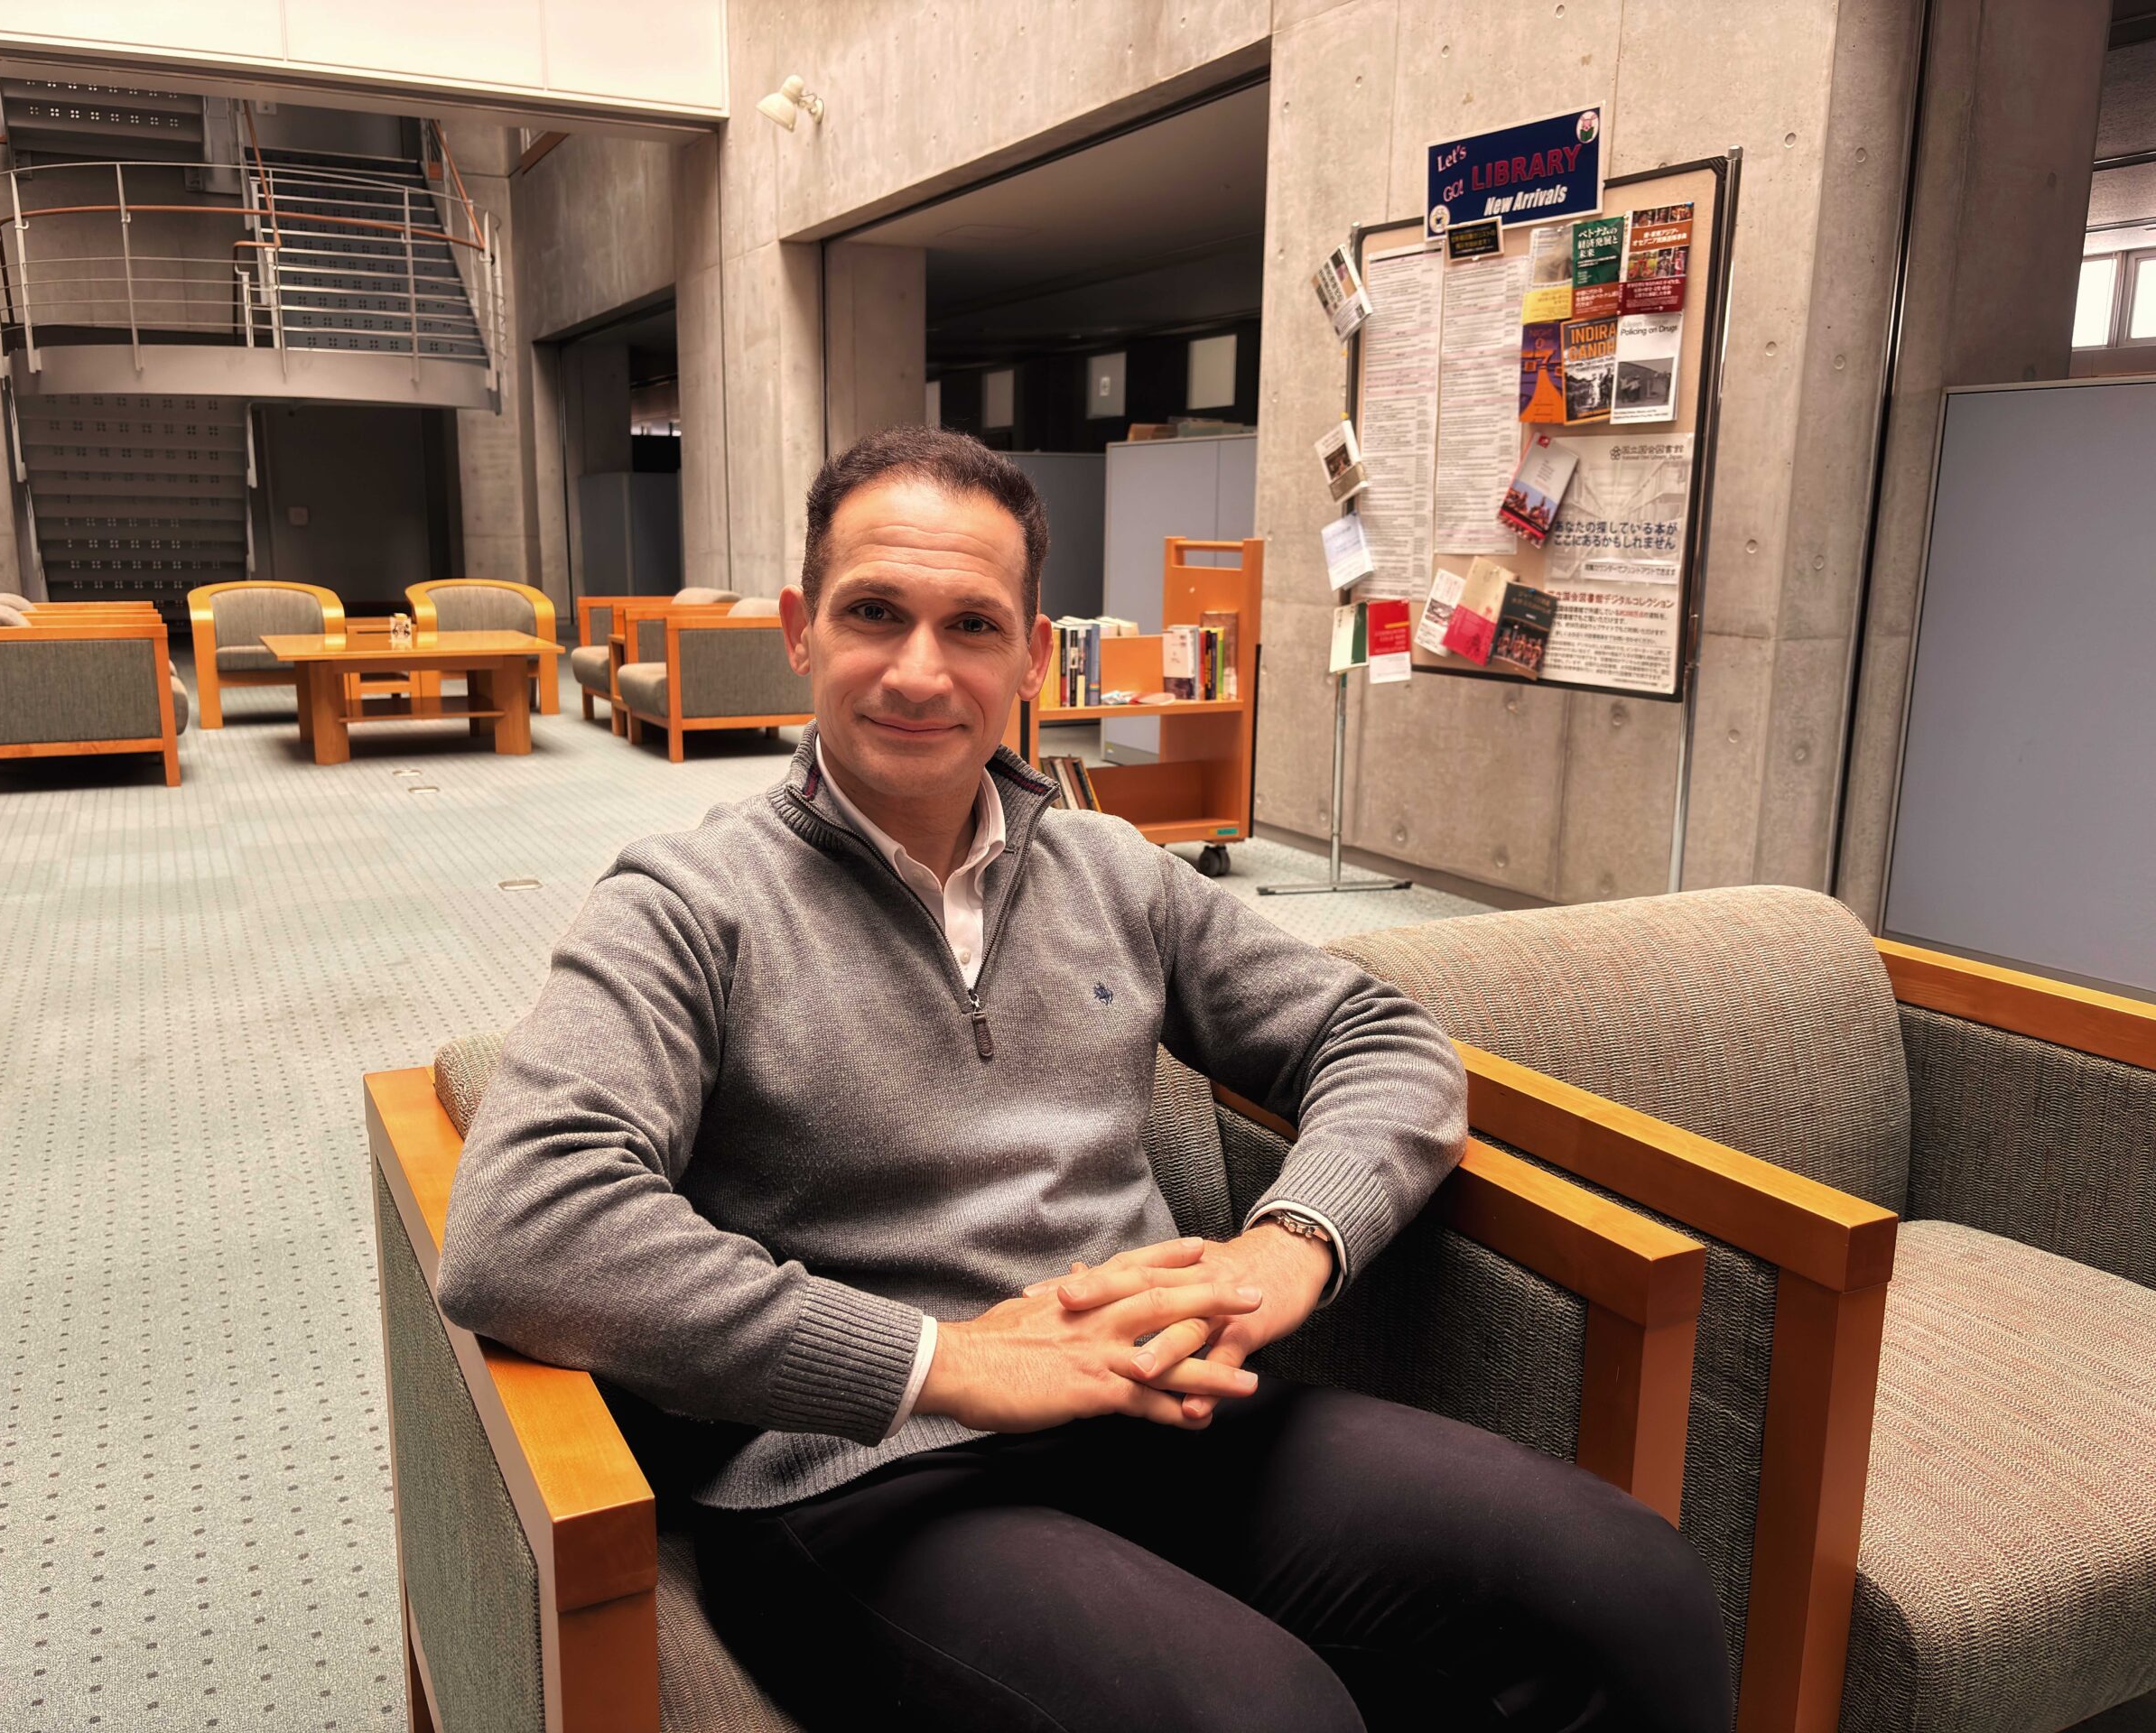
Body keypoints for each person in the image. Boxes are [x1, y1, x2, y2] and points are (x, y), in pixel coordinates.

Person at [436, 426, 1731, 1732]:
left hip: (1156, 1407)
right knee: (1264, 1721)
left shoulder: (1115, 872)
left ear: (1032, 658)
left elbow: (1382, 1039)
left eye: (973, 626)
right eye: (874, 612)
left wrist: (1289, 1247)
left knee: (1631, 1593)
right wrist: (943, 1360)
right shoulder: (686, 904)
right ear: (799, 631)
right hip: (858, 1476)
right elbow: (524, 1224)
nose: (920, 671)